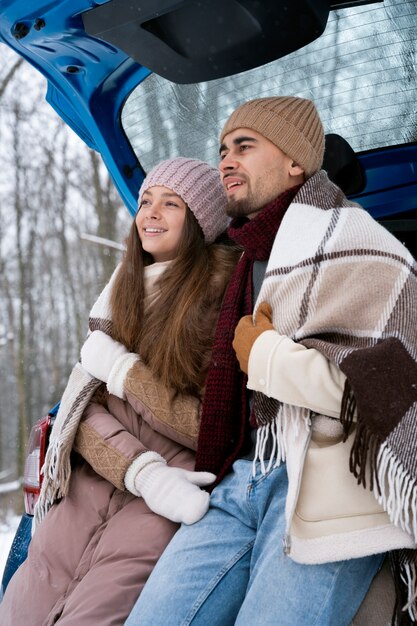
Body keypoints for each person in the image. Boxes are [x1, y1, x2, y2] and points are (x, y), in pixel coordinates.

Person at [126, 97, 417, 626]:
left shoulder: (361, 242)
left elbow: (392, 392)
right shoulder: (242, 259)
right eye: (221, 149)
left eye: (245, 146)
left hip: (331, 486)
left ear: (296, 163)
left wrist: (265, 356)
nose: (226, 160)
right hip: (241, 476)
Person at [0, 157, 240, 625]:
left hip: (173, 492)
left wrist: (122, 370)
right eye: (146, 200)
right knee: (23, 607)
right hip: (97, 479)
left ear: (201, 222)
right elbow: (78, 410)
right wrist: (141, 470)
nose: (150, 212)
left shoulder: (221, 302)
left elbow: (207, 425)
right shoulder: (119, 295)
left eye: (171, 204)